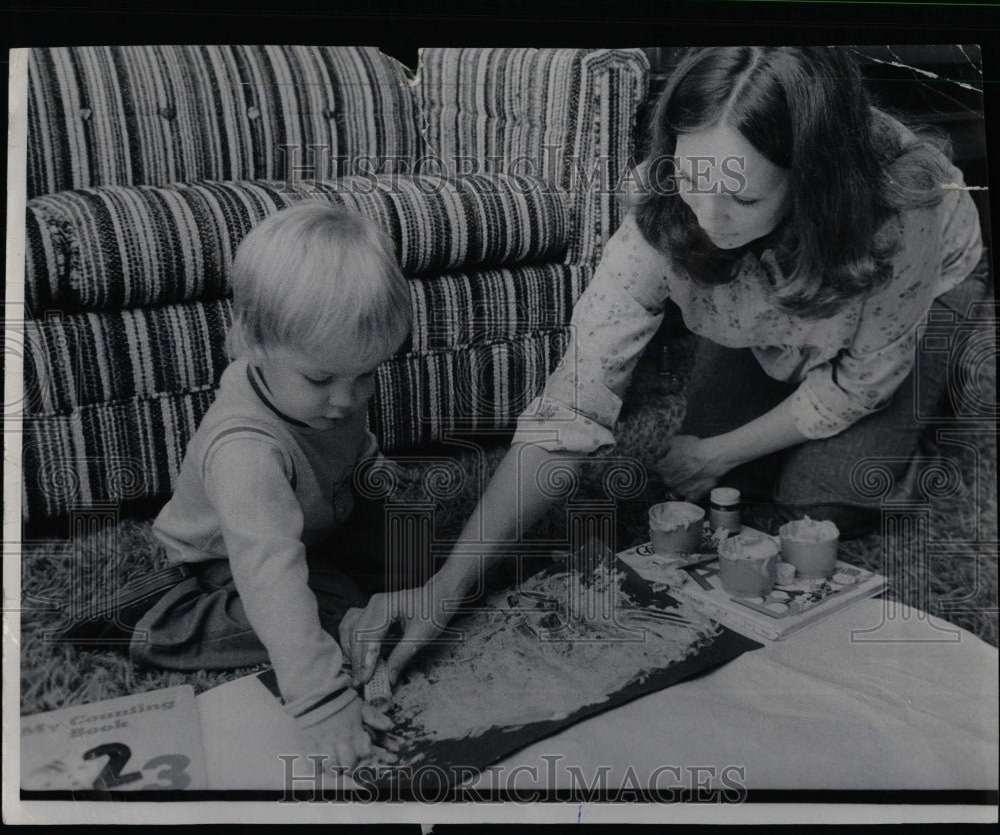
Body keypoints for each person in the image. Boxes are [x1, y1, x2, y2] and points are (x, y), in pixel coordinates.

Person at [340, 46, 987, 689]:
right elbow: (571, 406)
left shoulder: (903, 205)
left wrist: (719, 452)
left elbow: (862, 381)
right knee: (717, 487)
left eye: (741, 196)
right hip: (770, 292)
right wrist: (447, 584)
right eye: (691, 178)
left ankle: (933, 404)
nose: (706, 219)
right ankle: (780, 345)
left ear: (809, 181)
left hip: (919, 294)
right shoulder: (671, 207)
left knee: (818, 501)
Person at [59, 202, 413, 771]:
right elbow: (269, 564)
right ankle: (153, 623)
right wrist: (320, 698)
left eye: (366, 373)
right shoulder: (245, 450)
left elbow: (352, 448)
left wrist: (376, 478)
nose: (347, 400)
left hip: (317, 520)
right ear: (255, 340)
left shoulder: (327, 388)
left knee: (416, 561)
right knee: (323, 608)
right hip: (225, 555)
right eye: (321, 378)